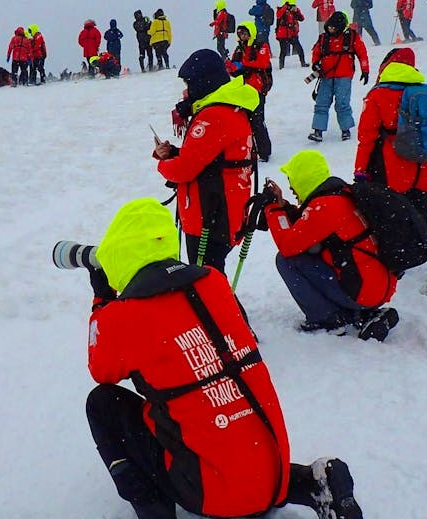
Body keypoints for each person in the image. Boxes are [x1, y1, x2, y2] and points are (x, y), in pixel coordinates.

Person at [84, 196, 364, 519]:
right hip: (273, 473)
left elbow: (100, 367)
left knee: (102, 404)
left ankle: (154, 511)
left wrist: (101, 299)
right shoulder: (212, 282)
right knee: (215, 398)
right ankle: (309, 483)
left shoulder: (122, 317)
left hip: (213, 495)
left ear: (118, 256)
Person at [259, 150, 399, 339]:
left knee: (286, 260)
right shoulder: (340, 195)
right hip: (377, 287)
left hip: (363, 292)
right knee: (311, 252)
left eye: (293, 182)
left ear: (303, 179)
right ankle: (362, 312)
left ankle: (328, 318)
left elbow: (288, 245)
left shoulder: (324, 207)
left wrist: (274, 209)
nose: (292, 188)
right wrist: (283, 205)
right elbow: (306, 225)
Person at [355, 47, 427, 296]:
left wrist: (360, 171)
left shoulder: (378, 96)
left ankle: (398, 267)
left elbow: (366, 138)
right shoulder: (425, 92)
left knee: (391, 220)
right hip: (424, 170)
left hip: (392, 171)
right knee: (422, 219)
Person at [153, 49, 257, 275]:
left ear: (203, 82)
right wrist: (173, 152)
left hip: (210, 216)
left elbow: (184, 170)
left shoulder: (214, 116)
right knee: (211, 279)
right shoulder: (232, 107)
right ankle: (223, 310)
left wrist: (163, 164)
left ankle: (226, 312)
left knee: (206, 284)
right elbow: (213, 158)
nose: (187, 91)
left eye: (190, 84)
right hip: (226, 210)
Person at [307, 11, 370, 143]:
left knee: (342, 104)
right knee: (321, 103)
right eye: (329, 27)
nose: (330, 29)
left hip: (344, 76)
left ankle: (345, 129)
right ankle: (318, 131)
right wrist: (315, 64)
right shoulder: (323, 38)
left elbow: (362, 53)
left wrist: (365, 70)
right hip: (326, 75)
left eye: (333, 28)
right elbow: (316, 52)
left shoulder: (352, 37)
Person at [228, 21, 274, 162]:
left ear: (251, 33)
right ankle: (250, 150)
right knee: (244, 121)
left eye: (245, 33)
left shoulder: (261, 46)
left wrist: (243, 66)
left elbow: (263, 63)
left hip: (257, 89)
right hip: (242, 90)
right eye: (240, 33)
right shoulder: (239, 49)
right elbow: (234, 67)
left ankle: (264, 152)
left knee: (257, 121)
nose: (243, 36)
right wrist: (232, 67)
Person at [274, 0, 309, 70]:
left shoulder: (295, 11)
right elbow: (278, 15)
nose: (292, 7)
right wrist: (285, 7)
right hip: (283, 35)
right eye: (290, 5)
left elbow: (302, 18)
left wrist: (297, 11)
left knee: (299, 49)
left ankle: (303, 63)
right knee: (283, 51)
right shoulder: (281, 10)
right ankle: (281, 66)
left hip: (293, 34)